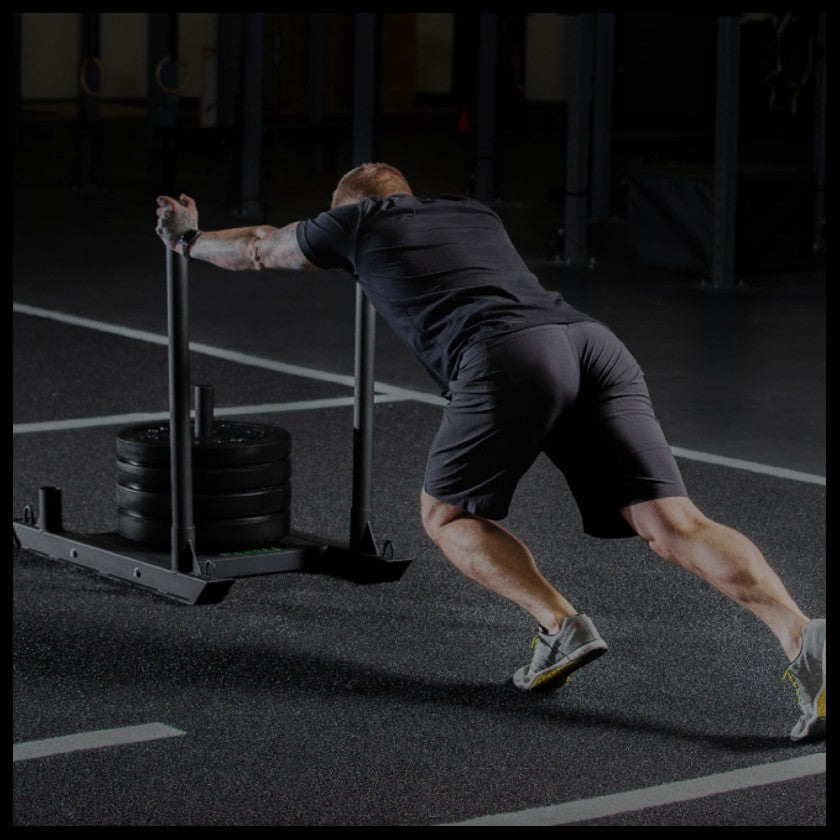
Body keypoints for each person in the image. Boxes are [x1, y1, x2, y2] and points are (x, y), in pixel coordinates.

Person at [155, 162, 825, 742]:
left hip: (508, 353)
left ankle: (559, 625)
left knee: (447, 515)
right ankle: (805, 638)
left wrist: (189, 238)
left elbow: (261, 247)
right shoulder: (472, 212)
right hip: (592, 343)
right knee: (675, 524)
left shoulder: (354, 220)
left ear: (347, 207)